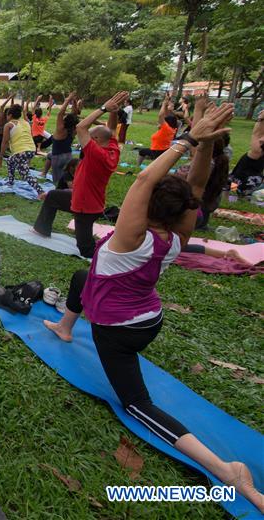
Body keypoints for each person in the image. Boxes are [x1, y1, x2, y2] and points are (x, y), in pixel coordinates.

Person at [43, 101, 264, 514]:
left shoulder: (130, 236)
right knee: (80, 277)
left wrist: (188, 140)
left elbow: (145, 177)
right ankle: (65, 326)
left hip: (119, 332)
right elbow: (194, 188)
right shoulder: (176, 235)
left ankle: (226, 470)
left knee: (135, 404)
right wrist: (204, 146)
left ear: (145, 206)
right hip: (150, 318)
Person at [32, 92, 128, 258]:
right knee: (53, 196)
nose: (84, 141)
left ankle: (108, 254)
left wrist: (104, 108)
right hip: (88, 199)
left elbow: (81, 127)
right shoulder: (112, 148)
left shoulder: (95, 153)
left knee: (85, 248)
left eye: (90, 138)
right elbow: (111, 130)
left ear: (96, 139)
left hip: (85, 205)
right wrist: (113, 110)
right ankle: (41, 229)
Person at [0, 102, 44, 197]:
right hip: (31, 150)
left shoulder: (8, 125)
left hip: (21, 152)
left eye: (7, 115)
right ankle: (10, 182)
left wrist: (0, 157)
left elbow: (5, 142)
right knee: (10, 160)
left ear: (9, 115)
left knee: (25, 174)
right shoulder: (26, 122)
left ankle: (41, 192)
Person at [45, 92, 80, 186]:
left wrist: (68, 99)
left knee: (57, 182)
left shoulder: (60, 129)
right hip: (68, 156)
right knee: (68, 178)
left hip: (58, 157)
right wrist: (74, 101)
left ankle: (60, 196)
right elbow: (75, 114)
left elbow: (60, 113)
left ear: (65, 120)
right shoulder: (73, 130)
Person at [137, 94, 179, 166]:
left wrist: (163, 104)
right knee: (146, 152)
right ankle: (152, 159)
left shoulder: (166, 128)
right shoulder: (173, 129)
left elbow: (161, 115)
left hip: (157, 151)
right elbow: (166, 116)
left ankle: (138, 165)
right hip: (164, 151)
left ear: (167, 122)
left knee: (142, 151)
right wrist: (166, 104)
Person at [229, 109, 263, 195]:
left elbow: (256, 134)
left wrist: (260, 119)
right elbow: (256, 134)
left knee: (236, 184)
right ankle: (234, 198)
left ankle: (233, 198)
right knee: (237, 186)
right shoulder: (257, 149)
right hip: (251, 169)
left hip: (250, 169)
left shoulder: (257, 148)